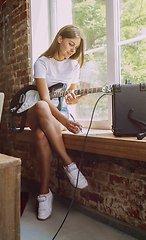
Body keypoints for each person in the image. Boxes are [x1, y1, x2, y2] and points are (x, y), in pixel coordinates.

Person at [27, 25, 89, 221]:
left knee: (40, 136)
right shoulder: (42, 62)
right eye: (71, 44)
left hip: (60, 113)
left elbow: (70, 99)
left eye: (76, 47)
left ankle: (44, 194)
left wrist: (75, 98)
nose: (73, 50)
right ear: (60, 39)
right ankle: (68, 163)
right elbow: (44, 98)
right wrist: (64, 120)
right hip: (38, 111)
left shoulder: (74, 65)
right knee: (43, 106)